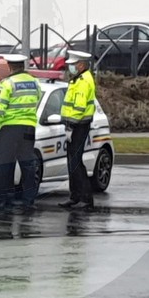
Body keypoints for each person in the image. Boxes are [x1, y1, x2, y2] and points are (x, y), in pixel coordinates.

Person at [0, 54, 40, 212]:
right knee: (28, 165)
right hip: (28, 127)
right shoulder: (34, 82)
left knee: (3, 165)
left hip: (9, 128)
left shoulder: (7, 84)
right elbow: (37, 99)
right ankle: (28, 201)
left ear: (9, 66)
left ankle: (0, 200)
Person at [59, 50, 97, 210]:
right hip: (74, 125)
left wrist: (71, 124)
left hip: (78, 125)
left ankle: (85, 198)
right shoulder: (77, 79)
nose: (70, 68)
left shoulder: (83, 81)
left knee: (76, 162)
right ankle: (74, 196)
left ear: (81, 65)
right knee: (72, 162)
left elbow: (79, 107)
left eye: (72, 65)